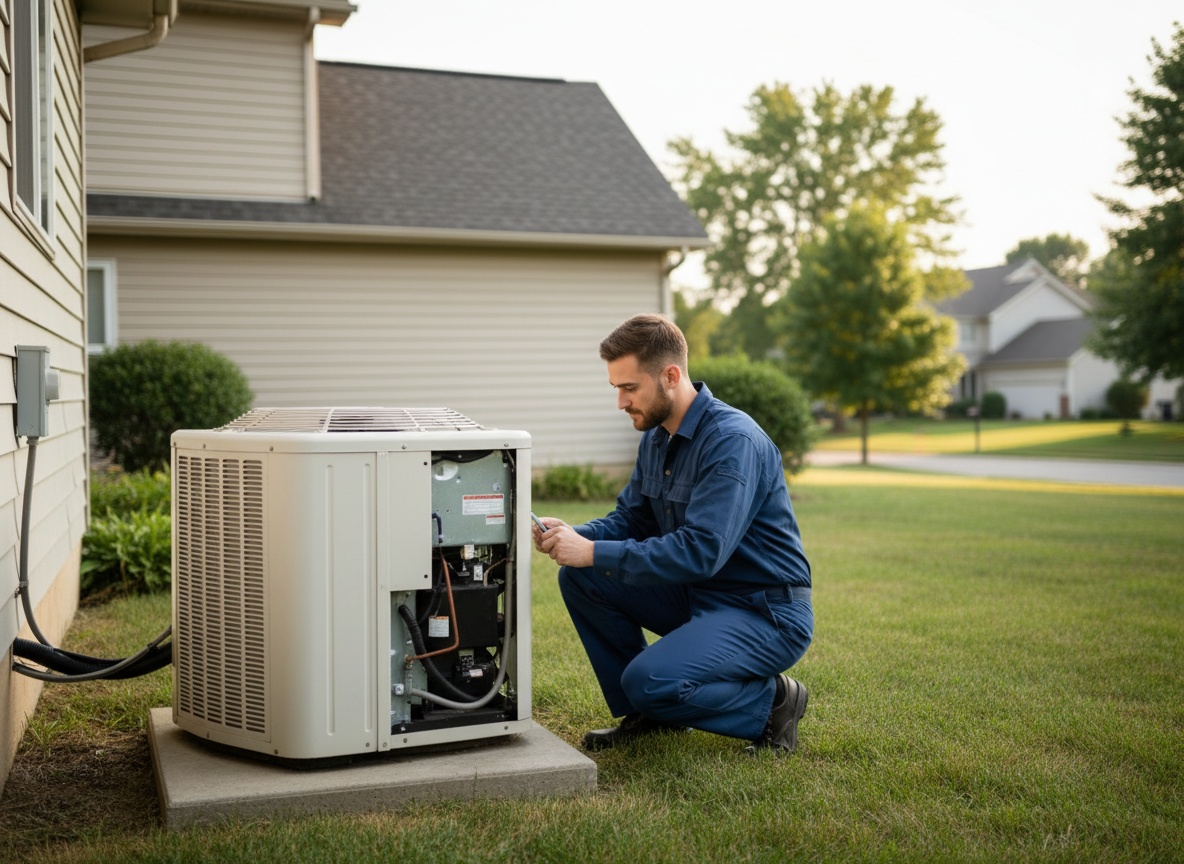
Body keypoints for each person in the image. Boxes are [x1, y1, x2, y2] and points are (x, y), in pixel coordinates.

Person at [533, 313, 813, 754]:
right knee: (583, 576)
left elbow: (701, 551)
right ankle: (651, 716)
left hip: (764, 611)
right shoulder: (659, 437)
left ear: (670, 375)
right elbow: (632, 519)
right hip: (701, 596)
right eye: (616, 389)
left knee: (649, 678)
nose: (621, 403)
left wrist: (592, 551)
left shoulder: (731, 441)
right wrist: (574, 536)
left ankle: (773, 702)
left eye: (629, 388)